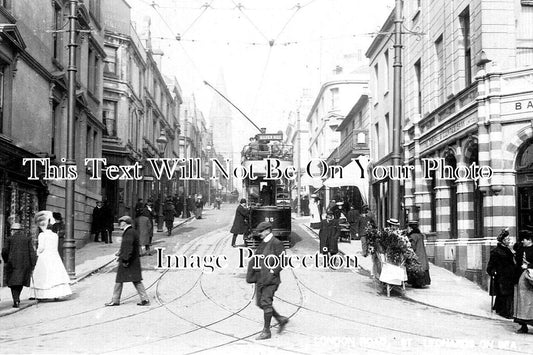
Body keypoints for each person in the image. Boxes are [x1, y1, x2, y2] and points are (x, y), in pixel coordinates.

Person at [246, 221, 288, 340]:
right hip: (260, 278)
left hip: (271, 280)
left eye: (261, 231)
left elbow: (283, 261)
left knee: (266, 302)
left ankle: (266, 331)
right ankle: (280, 319)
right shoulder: (263, 243)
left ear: (267, 231)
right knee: (260, 303)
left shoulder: (276, 243)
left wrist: (272, 271)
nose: (259, 234)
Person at [105, 216, 150, 307]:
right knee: (136, 280)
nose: (120, 224)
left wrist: (125, 259)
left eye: (121, 222)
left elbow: (129, 246)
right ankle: (144, 299)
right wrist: (120, 251)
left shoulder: (128, 232)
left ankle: (115, 300)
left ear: (125, 223)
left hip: (128, 260)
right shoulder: (132, 231)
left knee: (120, 280)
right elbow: (127, 245)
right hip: (132, 260)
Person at [31, 211, 72, 300]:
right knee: (55, 274)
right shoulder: (54, 235)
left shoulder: (42, 235)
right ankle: (56, 294)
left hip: (45, 256)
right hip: (54, 256)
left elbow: (41, 247)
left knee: (43, 275)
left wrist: (37, 253)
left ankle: (42, 295)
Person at [1, 222, 37, 308]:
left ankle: (16, 300)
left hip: (12, 264)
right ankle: (17, 299)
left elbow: (4, 251)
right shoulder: (27, 239)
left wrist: (6, 260)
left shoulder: (9, 239)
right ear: (20, 230)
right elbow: (32, 252)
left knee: (13, 283)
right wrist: (33, 264)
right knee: (20, 282)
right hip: (24, 264)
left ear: (13, 231)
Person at [486, 228, 515, 319]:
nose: (509, 241)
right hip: (502, 277)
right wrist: (493, 271)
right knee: (503, 294)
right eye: (507, 239)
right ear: (502, 241)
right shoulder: (496, 251)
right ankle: (504, 312)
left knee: (507, 294)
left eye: (509, 239)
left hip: (509, 276)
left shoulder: (508, 250)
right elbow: (490, 266)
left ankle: (505, 311)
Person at [513, 230, 533, 333]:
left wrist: (529, 266)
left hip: (530, 279)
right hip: (520, 278)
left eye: (524, 239)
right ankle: (523, 325)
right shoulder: (520, 249)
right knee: (521, 302)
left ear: (529, 240)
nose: (522, 241)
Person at [406, 221, 431, 288]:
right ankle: (421, 283)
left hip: (417, 254)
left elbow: (412, 247)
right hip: (422, 254)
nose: (407, 229)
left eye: (408, 227)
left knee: (416, 267)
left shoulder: (413, 236)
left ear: (411, 228)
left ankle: (417, 283)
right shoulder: (420, 235)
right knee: (422, 267)